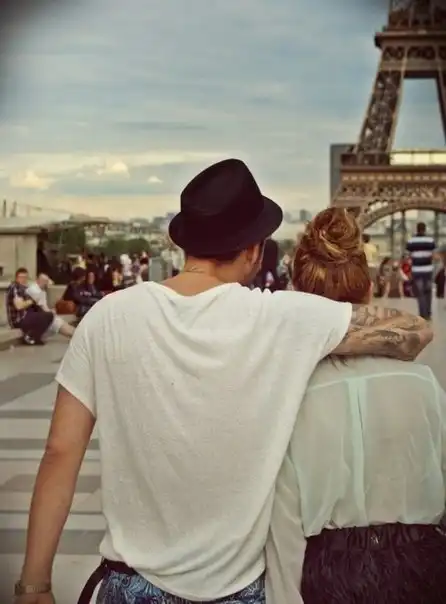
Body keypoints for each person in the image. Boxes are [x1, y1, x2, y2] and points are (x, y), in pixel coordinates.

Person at [15, 159, 431, 604]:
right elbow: (415, 332)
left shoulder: (108, 317)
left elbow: (60, 452)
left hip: (129, 584)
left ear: (184, 243)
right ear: (253, 250)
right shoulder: (281, 318)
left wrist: (35, 583)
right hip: (238, 590)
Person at [266, 208, 445, 604]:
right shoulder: (423, 384)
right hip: (422, 567)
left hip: (329, 574)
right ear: (368, 290)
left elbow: (284, 530)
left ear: (300, 293)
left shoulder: (291, 395)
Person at [6, 267, 54, 346]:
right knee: (45, 315)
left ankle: (34, 336)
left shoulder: (24, 288)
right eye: (21, 277)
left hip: (26, 316)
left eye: (25, 277)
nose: (23, 279)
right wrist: (32, 300)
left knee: (48, 315)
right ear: (16, 278)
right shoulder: (15, 287)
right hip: (18, 320)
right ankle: (30, 337)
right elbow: (19, 306)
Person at [27, 273, 75, 339]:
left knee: (60, 321)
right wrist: (51, 312)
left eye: (46, 281)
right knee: (57, 322)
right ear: (38, 280)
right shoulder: (35, 290)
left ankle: (76, 334)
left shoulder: (41, 289)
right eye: (44, 281)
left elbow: (51, 283)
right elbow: (43, 309)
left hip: (42, 315)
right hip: (38, 316)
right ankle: (76, 335)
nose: (46, 283)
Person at [406, 222, 436, 319]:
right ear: (425, 229)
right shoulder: (430, 240)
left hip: (416, 270)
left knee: (420, 292)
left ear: (417, 229)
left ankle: (423, 314)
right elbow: (433, 255)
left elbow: (409, 256)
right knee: (428, 291)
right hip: (428, 269)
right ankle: (428, 313)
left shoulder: (411, 241)